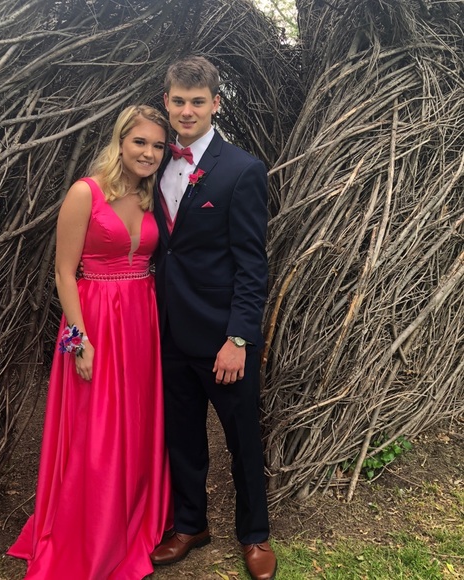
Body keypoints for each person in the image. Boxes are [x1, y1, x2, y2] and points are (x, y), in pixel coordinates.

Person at [7, 105, 172, 579]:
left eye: (158, 146)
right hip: (92, 320)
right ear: (120, 141)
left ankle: (132, 516)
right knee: (93, 428)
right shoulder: (86, 192)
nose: (149, 153)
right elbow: (64, 273)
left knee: (136, 421)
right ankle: (90, 529)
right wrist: (78, 342)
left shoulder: (151, 195)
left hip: (140, 319)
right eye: (140, 142)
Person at [150, 56, 277, 580]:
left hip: (223, 335)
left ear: (216, 104)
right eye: (179, 101)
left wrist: (239, 338)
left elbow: (252, 263)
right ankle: (190, 525)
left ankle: (254, 535)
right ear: (166, 102)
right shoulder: (154, 161)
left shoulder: (242, 170)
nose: (187, 111)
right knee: (181, 436)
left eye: (197, 102)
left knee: (242, 438)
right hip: (168, 331)